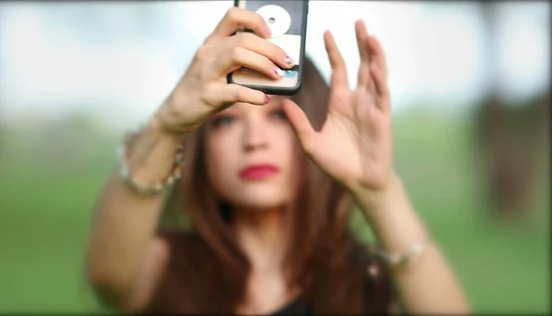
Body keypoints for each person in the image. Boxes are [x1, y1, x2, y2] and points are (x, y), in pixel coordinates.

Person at [85, 7, 470, 315]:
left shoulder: (367, 282)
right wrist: (165, 126)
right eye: (228, 121)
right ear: (202, 145)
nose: (255, 141)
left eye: (279, 117)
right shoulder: (169, 267)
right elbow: (109, 277)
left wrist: (378, 190)